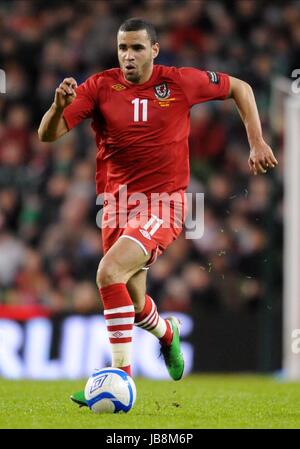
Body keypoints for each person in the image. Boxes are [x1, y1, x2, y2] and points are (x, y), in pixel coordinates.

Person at [38, 18, 278, 406]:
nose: (128, 56)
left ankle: (119, 379)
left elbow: (240, 87)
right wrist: (57, 106)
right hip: (115, 207)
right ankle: (167, 333)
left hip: (164, 204)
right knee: (130, 304)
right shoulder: (99, 87)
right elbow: (48, 135)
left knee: (107, 273)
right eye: (122, 48)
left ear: (154, 50)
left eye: (136, 48)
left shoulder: (179, 82)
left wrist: (256, 142)